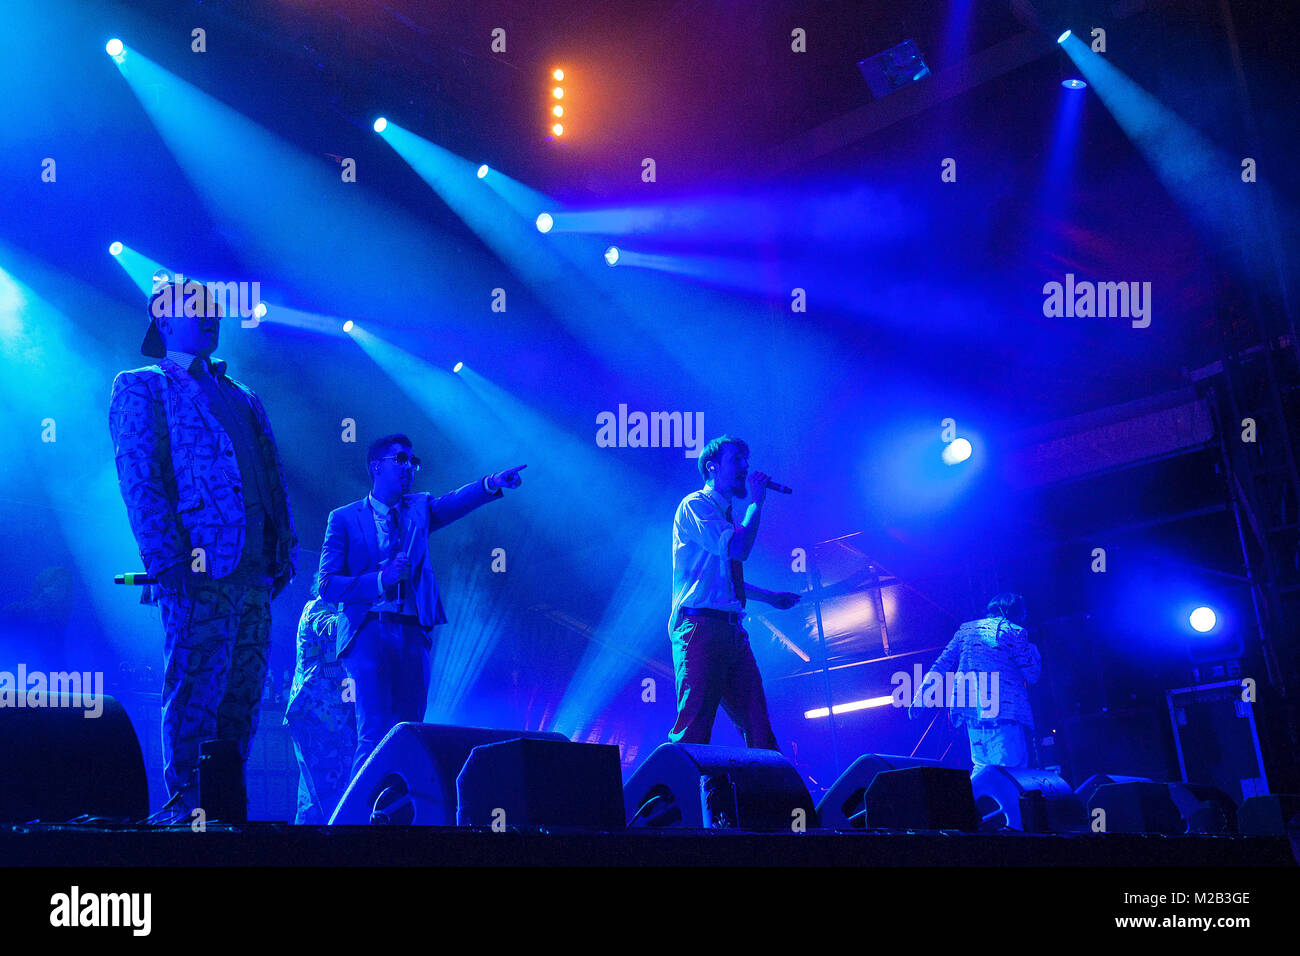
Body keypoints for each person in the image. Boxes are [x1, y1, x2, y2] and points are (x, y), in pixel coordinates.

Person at [109, 279, 297, 817]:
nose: (210, 316)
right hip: (197, 568)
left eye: (214, 308)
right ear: (163, 321)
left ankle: (224, 810)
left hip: (256, 572)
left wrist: (281, 550)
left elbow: (268, 475)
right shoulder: (144, 386)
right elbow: (140, 478)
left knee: (242, 699)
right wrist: (166, 558)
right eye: (196, 309)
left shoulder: (242, 394)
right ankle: (186, 814)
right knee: (196, 695)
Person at [316, 434, 525, 776]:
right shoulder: (343, 518)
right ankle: (357, 823)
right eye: (400, 459)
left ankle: (401, 820)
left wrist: (490, 484)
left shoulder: (419, 508)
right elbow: (327, 586)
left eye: (413, 461)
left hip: (413, 631)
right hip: (368, 629)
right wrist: (381, 579)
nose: (409, 467)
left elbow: (453, 503)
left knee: (410, 733)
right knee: (374, 733)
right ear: (376, 466)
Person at [668, 434, 801, 750]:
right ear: (712, 468)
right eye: (736, 460)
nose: (745, 466)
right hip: (699, 630)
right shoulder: (696, 505)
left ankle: (769, 799)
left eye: (746, 460)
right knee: (694, 732)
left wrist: (769, 596)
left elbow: (724, 581)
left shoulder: (725, 517)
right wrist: (756, 502)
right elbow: (739, 550)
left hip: (731, 632)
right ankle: (668, 798)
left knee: (760, 732)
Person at [909, 593, 1041, 773]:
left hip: (973, 717)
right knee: (1013, 776)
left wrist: (920, 698)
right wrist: (1033, 651)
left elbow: (941, 664)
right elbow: (1032, 674)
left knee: (982, 774)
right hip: (1005, 716)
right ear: (1016, 612)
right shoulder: (1015, 631)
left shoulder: (965, 630)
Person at [284, 595, 354, 824]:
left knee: (313, 794)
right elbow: (327, 626)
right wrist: (361, 614)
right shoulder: (318, 606)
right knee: (326, 789)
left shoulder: (334, 608)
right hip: (314, 710)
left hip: (330, 713)